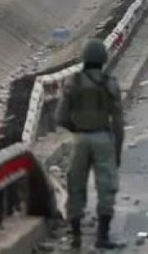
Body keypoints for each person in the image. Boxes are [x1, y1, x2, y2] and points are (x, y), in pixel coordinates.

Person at [57, 40, 125, 250]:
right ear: (103, 59)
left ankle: (75, 236)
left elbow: (60, 116)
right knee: (106, 185)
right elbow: (118, 122)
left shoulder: (73, 83)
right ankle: (102, 236)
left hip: (80, 139)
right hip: (103, 138)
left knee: (75, 185)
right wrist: (117, 151)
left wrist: (76, 129)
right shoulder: (109, 83)